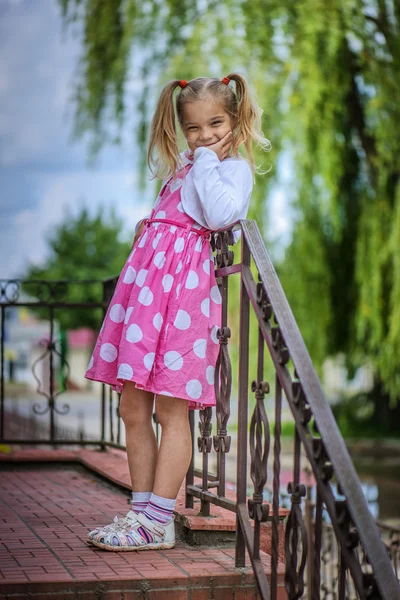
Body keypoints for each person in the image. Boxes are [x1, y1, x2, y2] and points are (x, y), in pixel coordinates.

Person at [85, 73, 270, 551]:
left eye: (216, 124)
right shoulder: (183, 168)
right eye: (193, 129)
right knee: (131, 404)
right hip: (149, 289)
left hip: (185, 296)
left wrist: (206, 158)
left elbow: (217, 216)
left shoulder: (231, 170)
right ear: (180, 128)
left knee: (170, 408)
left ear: (236, 120)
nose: (205, 135)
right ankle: (141, 510)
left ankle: (159, 519)